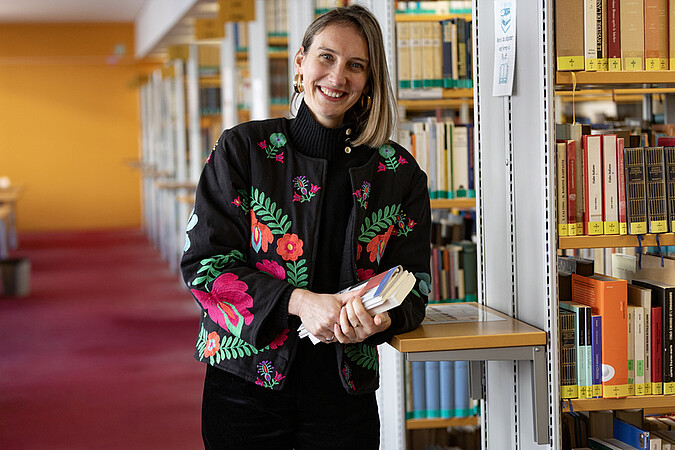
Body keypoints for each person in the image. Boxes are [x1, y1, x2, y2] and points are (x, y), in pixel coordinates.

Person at [181, 4, 431, 449]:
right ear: (301, 62)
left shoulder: (398, 173)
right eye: (327, 57)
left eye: (357, 65)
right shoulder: (244, 149)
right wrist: (300, 303)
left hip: (344, 392)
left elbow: (416, 286)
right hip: (244, 384)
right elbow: (205, 267)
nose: (338, 77)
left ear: (370, 81)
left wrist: (379, 320)